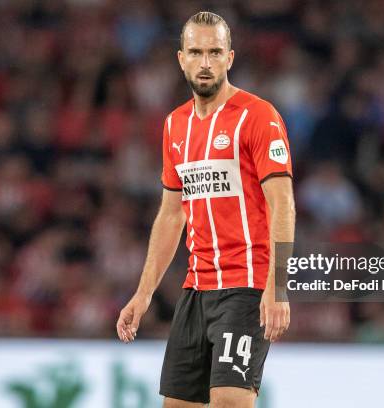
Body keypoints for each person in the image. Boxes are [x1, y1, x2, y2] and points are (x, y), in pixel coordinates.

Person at [116, 11, 295, 408]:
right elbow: (171, 214)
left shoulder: (258, 117)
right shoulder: (174, 126)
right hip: (196, 290)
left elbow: (282, 202)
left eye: (215, 52)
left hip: (246, 287)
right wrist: (143, 294)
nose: (206, 62)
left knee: (230, 401)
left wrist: (277, 286)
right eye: (196, 52)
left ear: (230, 58)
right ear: (181, 59)